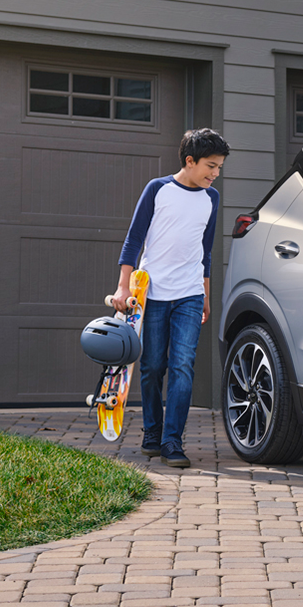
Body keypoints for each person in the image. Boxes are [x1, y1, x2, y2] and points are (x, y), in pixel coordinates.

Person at [113, 128, 228, 467]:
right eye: (210, 165)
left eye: (219, 167)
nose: (215, 173)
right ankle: (152, 432)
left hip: (190, 294)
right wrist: (123, 286)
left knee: (182, 366)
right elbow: (133, 241)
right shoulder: (158, 189)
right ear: (189, 161)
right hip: (153, 294)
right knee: (151, 367)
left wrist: (205, 294)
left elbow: (204, 251)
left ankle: (172, 441)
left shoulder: (212, 198)